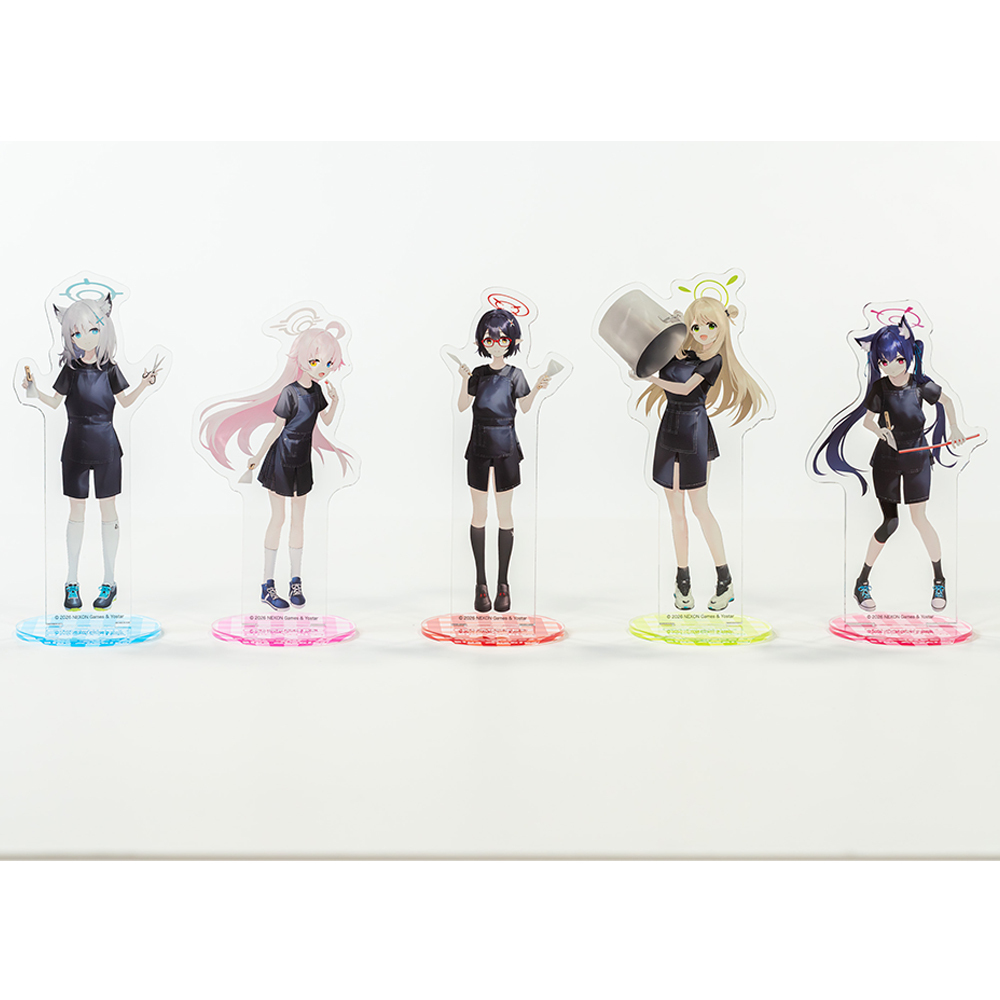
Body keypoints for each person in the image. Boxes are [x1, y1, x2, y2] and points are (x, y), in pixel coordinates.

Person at [811, 314, 965, 611]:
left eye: (897, 360)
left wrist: (955, 429)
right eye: (884, 361)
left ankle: (939, 579)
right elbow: (868, 421)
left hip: (917, 456)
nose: (891, 366)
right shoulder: (880, 388)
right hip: (887, 459)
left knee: (920, 519)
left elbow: (946, 401)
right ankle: (862, 582)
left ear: (907, 357)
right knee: (890, 522)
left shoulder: (920, 385)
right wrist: (880, 431)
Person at [23, 294, 160, 610]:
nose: (85, 337)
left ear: (104, 329)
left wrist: (144, 384)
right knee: (76, 513)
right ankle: (71, 581)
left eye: (93, 329)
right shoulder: (70, 370)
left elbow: (125, 401)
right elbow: (54, 402)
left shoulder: (110, 369)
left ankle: (109, 581)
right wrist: (33, 391)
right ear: (70, 335)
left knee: (108, 511)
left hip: (107, 445)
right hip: (75, 445)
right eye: (76, 332)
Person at [637, 296, 765, 611]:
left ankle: (724, 579)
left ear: (721, 328)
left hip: (694, 431)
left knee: (699, 508)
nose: (703, 332)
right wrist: (670, 329)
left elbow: (684, 390)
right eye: (696, 327)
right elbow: (655, 347)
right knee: (675, 512)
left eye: (710, 326)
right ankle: (682, 581)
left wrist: (650, 378)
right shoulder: (679, 353)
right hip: (669, 430)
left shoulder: (713, 362)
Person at [456, 308, 549, 613]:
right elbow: (462, 406)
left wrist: (537, 388)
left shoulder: (515, 375)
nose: (496, 345)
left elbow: (524, 408)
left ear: (512, 342)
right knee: (479, 513)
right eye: (489, 339)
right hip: (479, 445)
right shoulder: (478, 374)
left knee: (505, 514)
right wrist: (464, 380)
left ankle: (503, 584)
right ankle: (480, 584)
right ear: (481, 342)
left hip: (506, 446)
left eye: (502, 339)